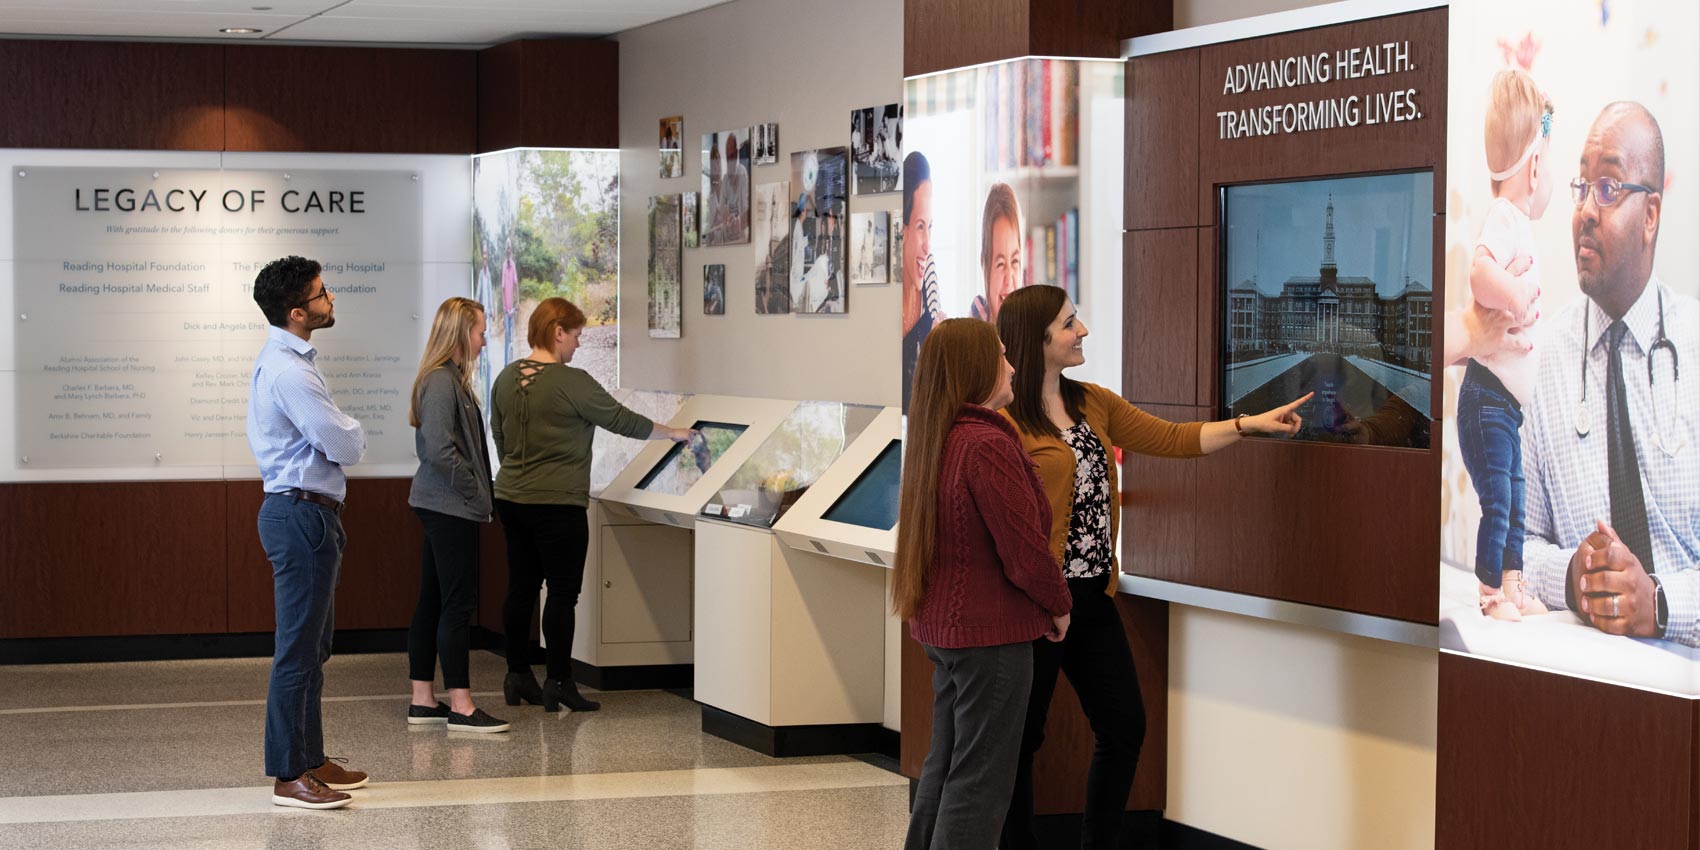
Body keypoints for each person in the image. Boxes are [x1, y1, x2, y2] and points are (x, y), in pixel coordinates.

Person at [994, 285, 1309, 850]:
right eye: (1070, 324)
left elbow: (1173, 438)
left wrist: (1248, 425)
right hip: (1035, 604)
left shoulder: (1093, 402)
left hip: (1090, 595)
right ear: (1037, 340)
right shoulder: (1005, 426)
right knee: (1021, 742)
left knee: (1124, 726)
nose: (1082, 331)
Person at [1523, 102, 1699, 647]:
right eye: (1581, 186)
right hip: (1583, 693)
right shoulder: (1538, 360)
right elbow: (1516, 544)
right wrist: (1573, 579)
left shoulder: (1695, 347)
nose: (1585, 211)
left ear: (1651, 216)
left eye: (1609, 187)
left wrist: (1661, 604)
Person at [897, 317, 1072, 850]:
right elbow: (1024, 552)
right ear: (977, 368)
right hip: (989, 638)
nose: (1013, 365)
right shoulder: (986, 445)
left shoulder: (940, 435)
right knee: (980, 784)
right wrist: (1058, 604)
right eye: (1001, 355)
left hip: (947, 635)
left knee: (946, 768)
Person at [491, 298, 696, 712]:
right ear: (557, 332)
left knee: (522, 588)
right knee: (563, 593)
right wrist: (673, 432)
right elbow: (621, 420)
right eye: (577, 334)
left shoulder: (507, 377)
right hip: (558, 502)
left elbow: (499, 434)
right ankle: (559, 682)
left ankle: (517, 676)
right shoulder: (572, 381)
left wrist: (519, 469)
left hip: (512, 498)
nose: (580, 343)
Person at [246, 256, 369, 809]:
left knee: (313, 648)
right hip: (301, 515)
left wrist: (342, 432)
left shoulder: (289, 358)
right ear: (297, 312)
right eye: (322, 294)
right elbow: (343, 442)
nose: (331, 299)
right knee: (296, 652)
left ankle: (311, 758)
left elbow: (331, 438)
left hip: (308, 513)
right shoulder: (291, 371)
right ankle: (287, 775)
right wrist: (354, 431)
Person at [1461, 69, 1555, 621]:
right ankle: (1490, 590)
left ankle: (1514, 584)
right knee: (1498, 498)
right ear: (1536, 165)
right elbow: (1478, 274)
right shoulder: (1503, 217)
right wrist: (1516, 293)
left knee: (1515, 498)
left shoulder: (1516, 221)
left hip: (1506, 407)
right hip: (1486, 398)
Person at [405, 297, 507, 733]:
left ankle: (423, 701)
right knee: (457, 604)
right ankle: (461, 706)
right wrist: (475, 491)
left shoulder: (446, 378)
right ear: (461, 332)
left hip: (442, 504)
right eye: (481, 331)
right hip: (450, 506)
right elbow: (440, 450)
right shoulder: (443, 381)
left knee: (432, 601)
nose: (485, 341)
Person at [900, 151, 941, 409]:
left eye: (930, 227)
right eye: (919, 227)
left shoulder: (929, 274)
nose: (927, 245)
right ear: (901, 230)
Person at [970, 183, 1023, 324]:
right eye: (1000, 264)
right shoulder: (977, 319)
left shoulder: (1032, 322)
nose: (1009, 280)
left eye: (1015, 261)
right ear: (985, 264)